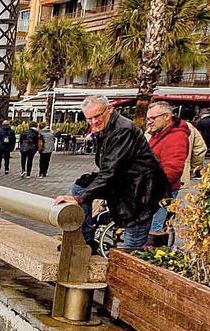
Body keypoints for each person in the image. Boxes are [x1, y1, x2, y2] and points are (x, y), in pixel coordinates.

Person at [54, 95, 169, 252]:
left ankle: (129, 269)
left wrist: (80, 199)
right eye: (89, 118)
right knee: (80, 187)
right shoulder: (106, 129)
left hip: (140, 192)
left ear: (109, 110)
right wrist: (80, 196)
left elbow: (110, 170)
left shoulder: (122, 129)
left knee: (131, 247)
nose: (94, 122)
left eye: (97, 116)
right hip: (124, 183)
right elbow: (108, 169)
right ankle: (86, 241)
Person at [145, 101, 190, 239]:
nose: (149, 122)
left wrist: (153, 186)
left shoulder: (176, 137)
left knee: (155, 229)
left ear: (166, 116)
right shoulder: (159, 134)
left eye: (153, 118)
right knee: (150, 227)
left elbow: (173, 169)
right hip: (154, 189)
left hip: (163, 191)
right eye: (148, 119)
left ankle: (153, 256)